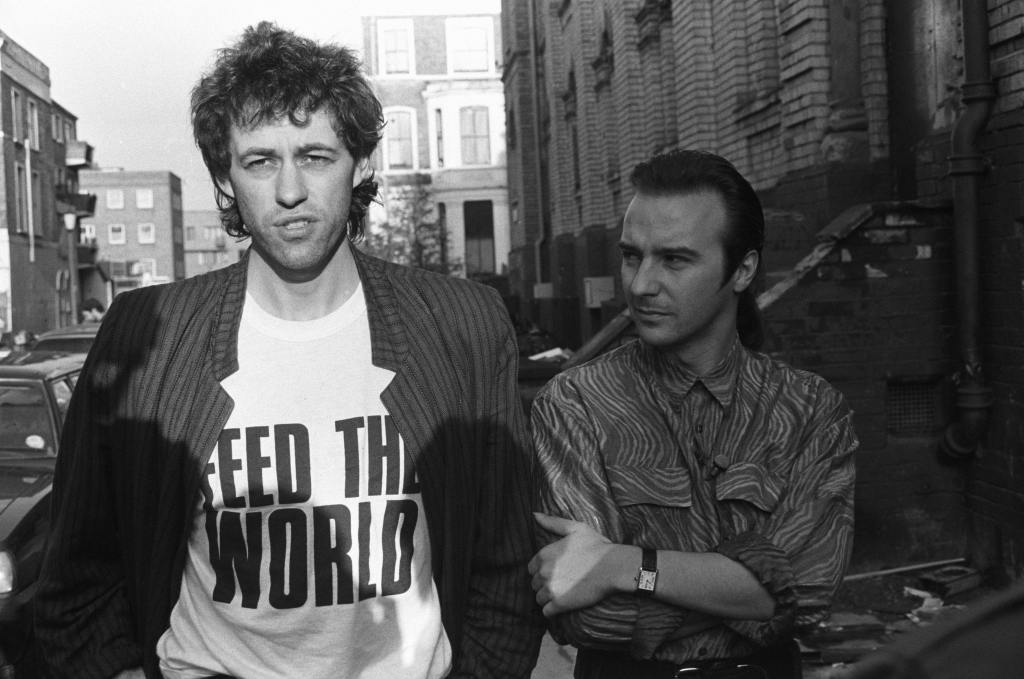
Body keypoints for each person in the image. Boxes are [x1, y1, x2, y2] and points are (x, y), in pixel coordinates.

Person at [34, 22, 542, 679]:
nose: (290, 190)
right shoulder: (147, 335)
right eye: (261, 160)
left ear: (359, 163)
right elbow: (77, 573)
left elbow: (505, 566)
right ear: (227, 177)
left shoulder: (462, 328)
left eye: (316, 155)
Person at [528, 149, 858, 679]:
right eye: (632, 255)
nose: (640, 285)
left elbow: (812, 588)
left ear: (742, 269)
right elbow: (586, 617)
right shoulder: (576, 404)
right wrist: (752, 592)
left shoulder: (808, 410)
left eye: (675, 260)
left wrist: (624, 565)